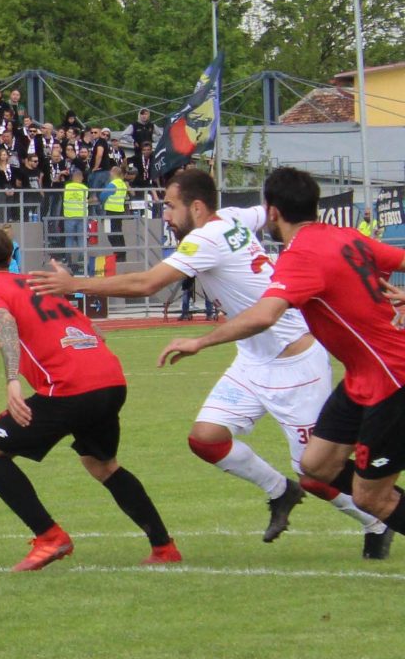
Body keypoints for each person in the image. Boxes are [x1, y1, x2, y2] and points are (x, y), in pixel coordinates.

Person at [32, 167, 385, 549]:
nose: (164, 214)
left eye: (169, 206)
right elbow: (268, 214)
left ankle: (376, 521)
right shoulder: (233, 217)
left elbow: (147, 283)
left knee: (318, 472)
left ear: (196, 207)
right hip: (252, 358)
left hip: (294, 363)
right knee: (206, 438)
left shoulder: (206, 238)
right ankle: (280, 490)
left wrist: (74, 285)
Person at [159, 166, 405, 560]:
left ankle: (377, 492)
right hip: (363, 377)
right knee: (315, 466)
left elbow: (263, 315)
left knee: (370, 497)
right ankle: (319, 481)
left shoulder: (301, 256)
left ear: (272, 212)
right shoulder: (345, 236)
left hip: (393, 380)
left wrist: (201, 341)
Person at [0, 224, 176, 571]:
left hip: (70, 388)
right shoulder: (41, 283)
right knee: (102, 464)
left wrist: (12, 379)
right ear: (10, 256)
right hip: (110, 379)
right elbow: (96, 331)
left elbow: (2, 318)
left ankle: (49, 538)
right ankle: (164, 547)